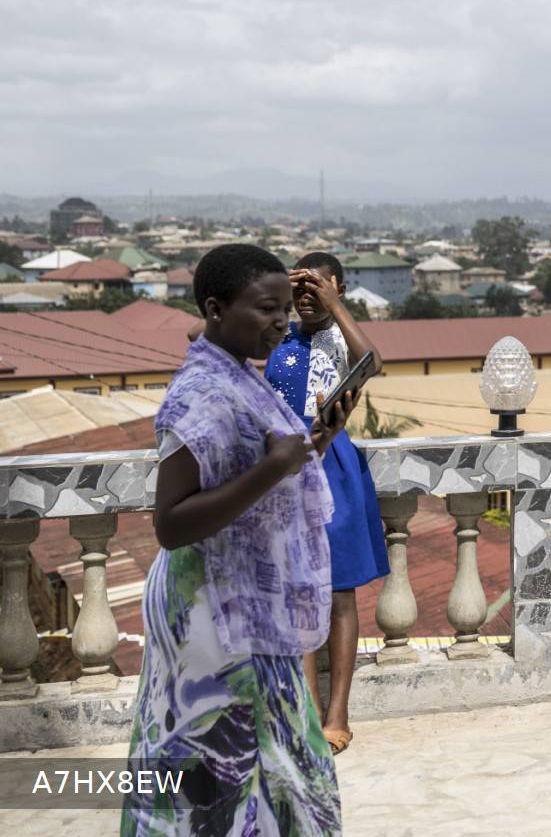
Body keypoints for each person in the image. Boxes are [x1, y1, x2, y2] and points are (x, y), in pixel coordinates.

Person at [122, 244, 361, 835]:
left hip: (247, 603)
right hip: (211, 611)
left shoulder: (244, 379)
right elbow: (172, 523)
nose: (281, 321)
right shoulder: (199, 391)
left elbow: (257, 472)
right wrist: (274, 468)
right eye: (265, 308)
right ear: (215, 308)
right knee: (220, 778)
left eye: (285, 309)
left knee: (280, 769)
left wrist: (315, 444)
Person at [263, 252, 387, 756]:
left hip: (333, 470)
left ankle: (339, 712)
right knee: (298, 595)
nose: (307, 295)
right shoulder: (277, 337)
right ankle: (309, 714)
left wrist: (335, 306)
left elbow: (372, 364)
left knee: (338, 595)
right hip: (283, 470)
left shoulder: (343, 339)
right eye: (301, 286)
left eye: (318, 286)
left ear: (336, 286)